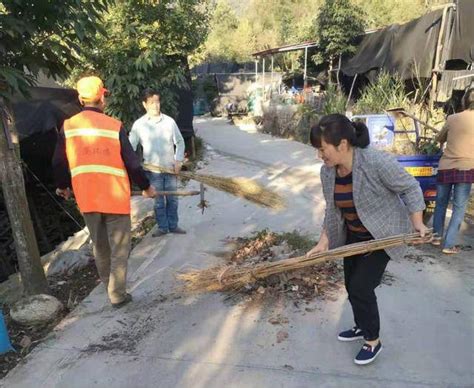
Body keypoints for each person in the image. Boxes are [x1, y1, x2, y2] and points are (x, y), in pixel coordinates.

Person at [307, 114, 429, 365]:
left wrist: (417, 223)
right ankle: (361, 325)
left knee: (362, 287)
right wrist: (323, 242)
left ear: (342, 144)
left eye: (322, 149)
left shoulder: (375, 162)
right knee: (351, 285)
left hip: (382, 236)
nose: (320, 155)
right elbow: (332, 209)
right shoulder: (328, 172)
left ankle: (373, 340)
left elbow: (410, 187)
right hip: (353, 235)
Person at [52, 76, 157, 308]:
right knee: (119, 247)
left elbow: (59, 162)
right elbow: (132, 163)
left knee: (100, 246)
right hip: (115, 197)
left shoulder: (68, 127)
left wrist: (63, 186)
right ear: (102, 98)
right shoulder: (114, 126)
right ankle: (117, 294)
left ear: (81, 99)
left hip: (87, 198)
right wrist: (147, 187)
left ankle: (108, 285)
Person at [129, 88, 186, 237]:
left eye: (157, 101)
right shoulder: (139, 125)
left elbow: (179, 142)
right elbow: (130, 147)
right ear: (144, 104)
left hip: (170, 169)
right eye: (151, 102)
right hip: (152, 171)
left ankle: (173, 226)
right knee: (159, 202)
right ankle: (162, 227)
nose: (155, 105)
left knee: (173, 199)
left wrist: (178, 160)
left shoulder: (169, 122)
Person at [432, 88, 474, 254]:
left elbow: (439, 139)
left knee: (440, 203)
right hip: (466, 168)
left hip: (446, 167)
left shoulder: (452, 118)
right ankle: (449, 245)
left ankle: (436, 237)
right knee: (458, 207)